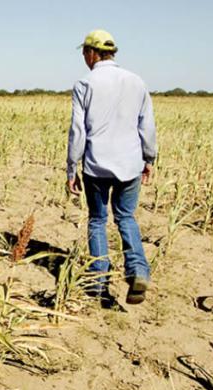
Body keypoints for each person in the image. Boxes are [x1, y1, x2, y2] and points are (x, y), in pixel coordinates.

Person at [66, 29, 156, 306]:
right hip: (130, 164)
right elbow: (147, 125)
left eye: (84, 52)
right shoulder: (136, 81)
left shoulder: (85, 84)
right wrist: (149, 158)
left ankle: (98, 281)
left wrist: (71, 167)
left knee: (97, 220)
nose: (84, 57)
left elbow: (78, 131)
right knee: (126, 217)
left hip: (96, 165)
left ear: (92, 53)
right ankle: (138, 271)